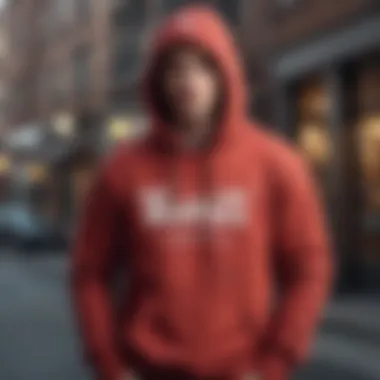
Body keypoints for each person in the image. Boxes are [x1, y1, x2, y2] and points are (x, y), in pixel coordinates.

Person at [71, 5, 333, 380]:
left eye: (202, 65)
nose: (187, 80)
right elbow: (88, 272)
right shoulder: (123, 170)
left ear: (225, 73)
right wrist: (110, 366)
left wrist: (274, 363)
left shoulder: (276, 164)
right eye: (175, 68)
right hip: (149, 369)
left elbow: (310, 267)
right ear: (158, 79)